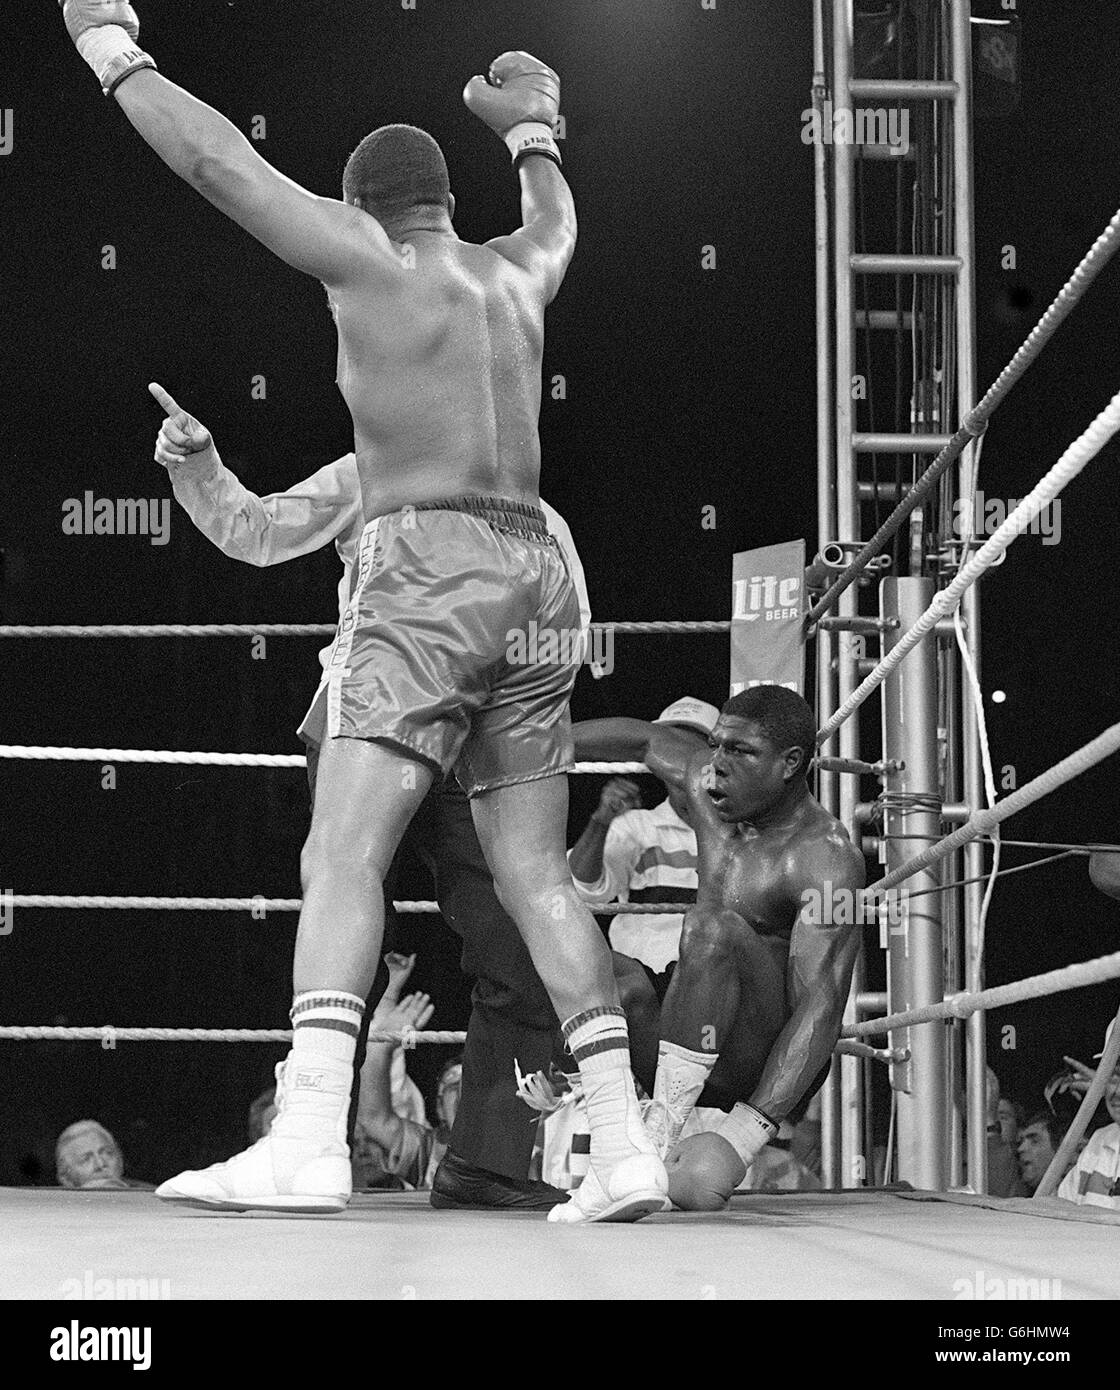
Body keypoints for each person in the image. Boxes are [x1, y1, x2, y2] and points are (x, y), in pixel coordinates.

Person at [62, 4, 666, 1220]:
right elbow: (557, 218)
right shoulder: (514, 271)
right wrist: (537, 125)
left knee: (341, 852)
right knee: (537, 870)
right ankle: (624, 1144)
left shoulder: (370, 256)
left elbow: (217, 162)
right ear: (442, 198)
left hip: (433, 566)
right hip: (541, 562)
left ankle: (308, 1138)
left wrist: (111, 51)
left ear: (363, 204)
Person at [153, 403, 587, 1210]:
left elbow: (558, 664)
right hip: (367, 724)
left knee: (515, 933)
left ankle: (486, 1162)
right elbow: (256, 530)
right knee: (347, 889)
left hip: (475, 748)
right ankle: (311, 1136)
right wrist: (198, 467)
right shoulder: (371, 476)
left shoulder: (540, 524)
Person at [572, 684, 866, 1210]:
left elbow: (821, 1005)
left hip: (759, 1052)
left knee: (713, 929)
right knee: (593, 963)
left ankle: (656, 1141)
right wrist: (529, 743)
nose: (719, 764)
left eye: (741, 751)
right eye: (718, 745)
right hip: (686, 1032)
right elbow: (644, 741)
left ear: (790, 763)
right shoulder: (709, 785)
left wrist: (745, 1137)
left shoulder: (825, 860)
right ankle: (621, 1137)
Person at [567, 698, 719, 1085]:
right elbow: (583, 893)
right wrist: (601, 821)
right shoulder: (638, 825)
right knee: (603, 972)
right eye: (668, 743)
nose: (677, 757)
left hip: (707, 982)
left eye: (689, 746)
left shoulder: (741, 829)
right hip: (643, 990)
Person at [55, 1120, 153, 1191]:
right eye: (86, 1159)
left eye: (107, 1153)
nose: (100, 1164)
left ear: (120, 1161)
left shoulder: (154, 1198)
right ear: (66, 1179)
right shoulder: (54, 1213)